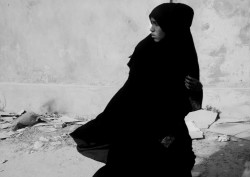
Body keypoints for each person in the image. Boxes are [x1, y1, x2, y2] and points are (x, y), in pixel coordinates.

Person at [70, 2, 203, 177]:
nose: (151, 28)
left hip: (170, 123)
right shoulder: (146, 49)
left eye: (156, 23)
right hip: (139, 122)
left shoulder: (184, 50)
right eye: (151, 22)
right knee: (134, 163)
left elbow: (189, 101)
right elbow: (132, 91)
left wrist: (196, 89)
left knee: (177, 161)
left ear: (173, 26)